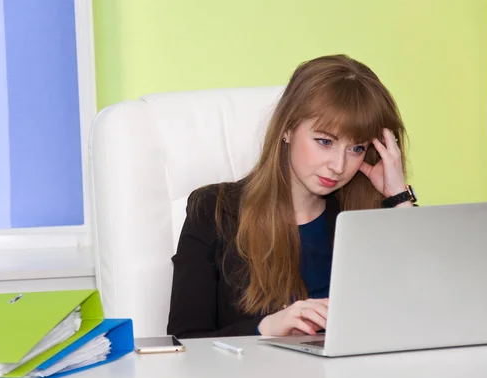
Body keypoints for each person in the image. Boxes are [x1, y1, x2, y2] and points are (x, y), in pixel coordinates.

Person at [167, 54, 416, 339]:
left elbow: (426, 314)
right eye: (325, 142)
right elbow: (184, 340)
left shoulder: (365, 216)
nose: (339, 166)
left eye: (356, 149)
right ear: (287, 129)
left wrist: (398, 198)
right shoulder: (214, 210)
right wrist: (266, 328)